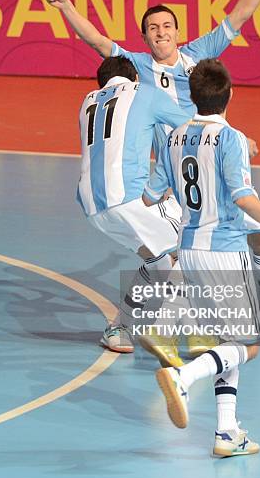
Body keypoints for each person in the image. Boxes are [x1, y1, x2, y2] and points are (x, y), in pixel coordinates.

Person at [43, 0, 260, 350]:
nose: (160, 32)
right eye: (152, 28)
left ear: (177, 32)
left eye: (166, 25)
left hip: (217, 165)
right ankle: (152, 326)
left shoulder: (198, 55)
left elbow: (240, 15)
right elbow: (94, 40)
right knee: (175, 259)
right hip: (175, 179)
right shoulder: (136, 70)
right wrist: (66, 6)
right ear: (144, 38)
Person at [142, 58, 260, 456]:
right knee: (249, 345)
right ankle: (184, 377)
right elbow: (242, 196)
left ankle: (226, 431)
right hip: (224, 251)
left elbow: (152, 195)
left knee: (226, 342)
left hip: (190, 252)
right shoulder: (231, 138)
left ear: (192, 97)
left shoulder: (173, 137)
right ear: (230, 94)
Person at [78, 55, 190, 353]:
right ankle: (170, 331)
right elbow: (193, 129)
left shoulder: (88, 101)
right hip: (131, 197)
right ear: (134, 77)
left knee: (159, 261)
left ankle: (118, 329)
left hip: (93, 207)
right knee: (190, 248)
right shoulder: (145, 93)